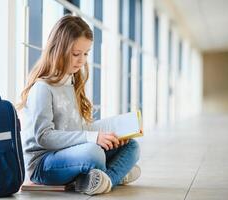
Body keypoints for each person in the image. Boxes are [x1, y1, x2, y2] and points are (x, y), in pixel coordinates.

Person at [17, 15, 141, 195]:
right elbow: (44, 137)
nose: (82, 60)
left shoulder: (71, 82)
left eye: (86, 53)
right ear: (58, 50)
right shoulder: (42, 88)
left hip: (71, 152)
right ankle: (115, 175)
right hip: (43, 164)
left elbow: (76, 129)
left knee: (132, 146)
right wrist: (92, 138)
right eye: (76, 54)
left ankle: (103, 179)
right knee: (94, 153)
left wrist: (109, 135)